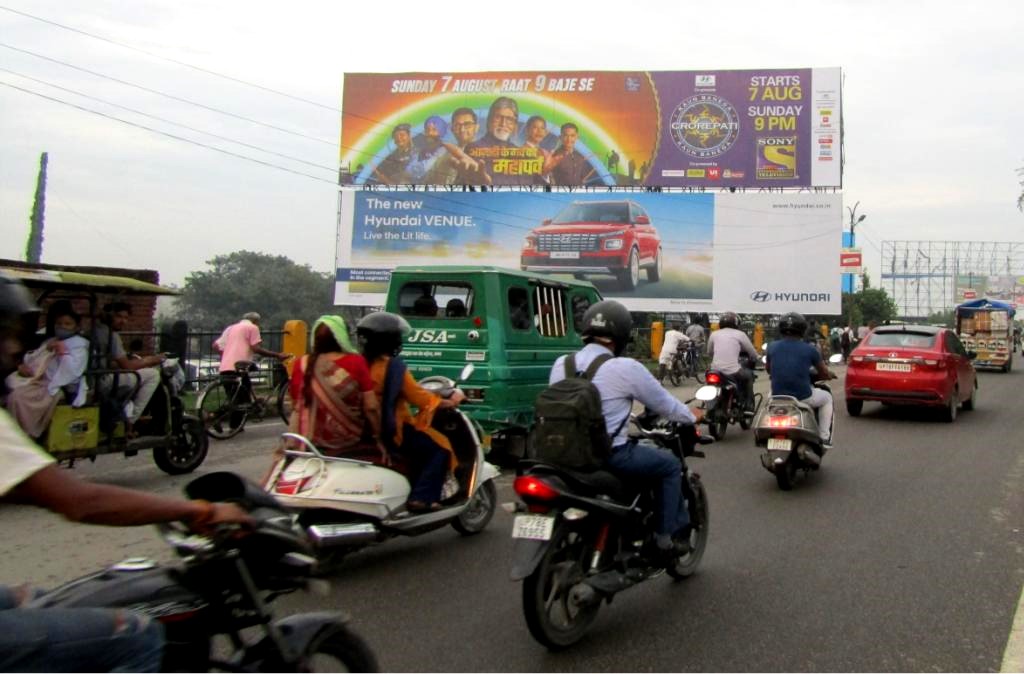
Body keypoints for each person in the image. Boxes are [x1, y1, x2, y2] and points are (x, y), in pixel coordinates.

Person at [0, 271, 252, 673]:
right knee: (135, 633)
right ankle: (131, 419)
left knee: (40, 601)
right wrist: (197, 511)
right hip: (108, 381)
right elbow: (81, 502)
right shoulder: (92, 339)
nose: (14, 348)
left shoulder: (82, 339)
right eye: (6, 336)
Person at [550, 300, 702, 565]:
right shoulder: (625, 368)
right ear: (621, 335)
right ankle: (665, 538)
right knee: (668, 465)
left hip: (561, 453)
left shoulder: (562, 363)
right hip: (608, 455)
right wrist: (692, 416)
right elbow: (665, 404)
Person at [356, 312, 465, 512]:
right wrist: (446, 402)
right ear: (390, 340)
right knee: (440, 449)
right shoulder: (392, 368)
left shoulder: (357, 364)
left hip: (360, 428)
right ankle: (421, 497)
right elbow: (418, 396)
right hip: (391, 428)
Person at [286, 316, 382, 460]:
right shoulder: (356, 362)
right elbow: (371, 407)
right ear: (342, 337)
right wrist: (379, 438)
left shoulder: (302, 363)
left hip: (306, 442)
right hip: (348, 440)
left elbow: (295, 404)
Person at [5, 300, 89, 438]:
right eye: (59, 324)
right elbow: (34, 358)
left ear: (76, 327)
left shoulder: (79, 346)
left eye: (67, 324)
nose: (62, 327)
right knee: (8, 386)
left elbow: (73, 372)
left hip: (56, 385)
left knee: (18, 398)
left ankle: (23, 434)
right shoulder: (52, 341)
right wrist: (25, 365)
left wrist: (63, 353)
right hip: (39, 380)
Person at [765, 312, 836, 450]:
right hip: (803, 397)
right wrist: (828, 375)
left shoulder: (771, 346)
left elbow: (769, 369)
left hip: (777, 395)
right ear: (803, 329)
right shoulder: (810, 349)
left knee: (769, 399)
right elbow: (823, 372)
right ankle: (824, 437)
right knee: (827, 397)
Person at [93, 301, 166, 435]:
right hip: (103, 381)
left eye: (125, 318)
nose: (123, 321)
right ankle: (130, 421)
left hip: (97, 377)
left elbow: (113, 361)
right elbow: (127, 365)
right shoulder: (110, 335)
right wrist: (152, 359)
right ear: (108, 316)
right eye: (119, 317)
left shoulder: (96, 330)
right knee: (153, 374)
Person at [462, 97, 539, 186]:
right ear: (489, 120)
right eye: (498, 117)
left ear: (514, 125)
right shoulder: (474, 148)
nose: (503, 124)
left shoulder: (521, 153)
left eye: (509, 120)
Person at [707, 311, 759, 415]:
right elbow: (752, 353)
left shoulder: (714, 334)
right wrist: (757, 357)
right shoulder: (740, 334)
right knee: (748, 376)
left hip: (715, 370)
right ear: (736, 323)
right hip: (733, 371)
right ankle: (748, 406)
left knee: (709, 385)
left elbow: (709, 352)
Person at [425, 107, 481, 185]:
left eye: (467, 124)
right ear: (452, 129)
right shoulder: (444, 157)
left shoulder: (488, 152)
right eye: (457, 125)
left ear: (476, 127)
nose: (462, 129)